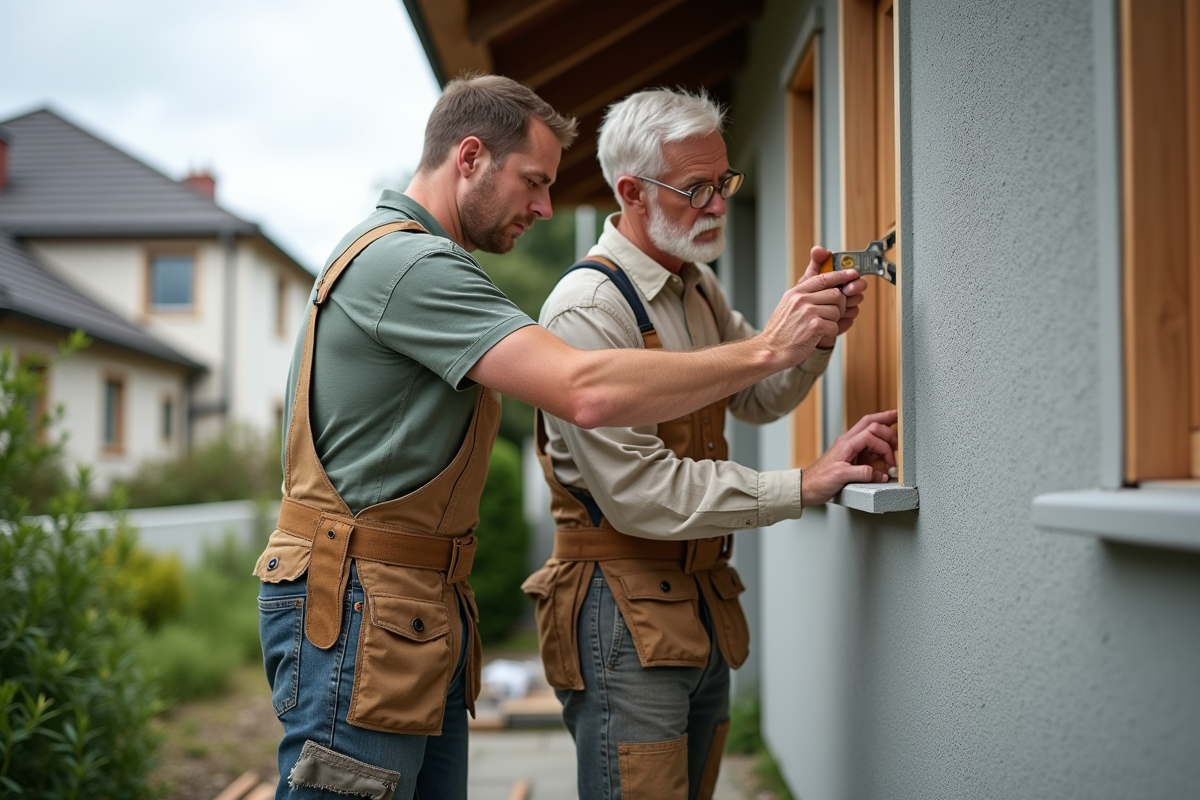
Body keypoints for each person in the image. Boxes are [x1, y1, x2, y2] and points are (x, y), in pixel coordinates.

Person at [253, 75, 866, 800]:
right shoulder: (411, 266)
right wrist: (770, 352)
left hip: (405, 607)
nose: (546, 208)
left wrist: (805, 339)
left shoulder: (430, 263)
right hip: (363, 605)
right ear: (471, 157)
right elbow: (585, 389)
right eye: (535, 183)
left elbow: (725, 392)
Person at [522, 87, 899, 800]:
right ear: (632, 192)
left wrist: (813, 336)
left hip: (697, 598)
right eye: (696, 189)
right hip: (620, 613)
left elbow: (754, 396)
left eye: (723, 182)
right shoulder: (588, 310)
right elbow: (642, 493)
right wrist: (804, 484)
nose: (719, 205)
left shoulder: (692, 285)